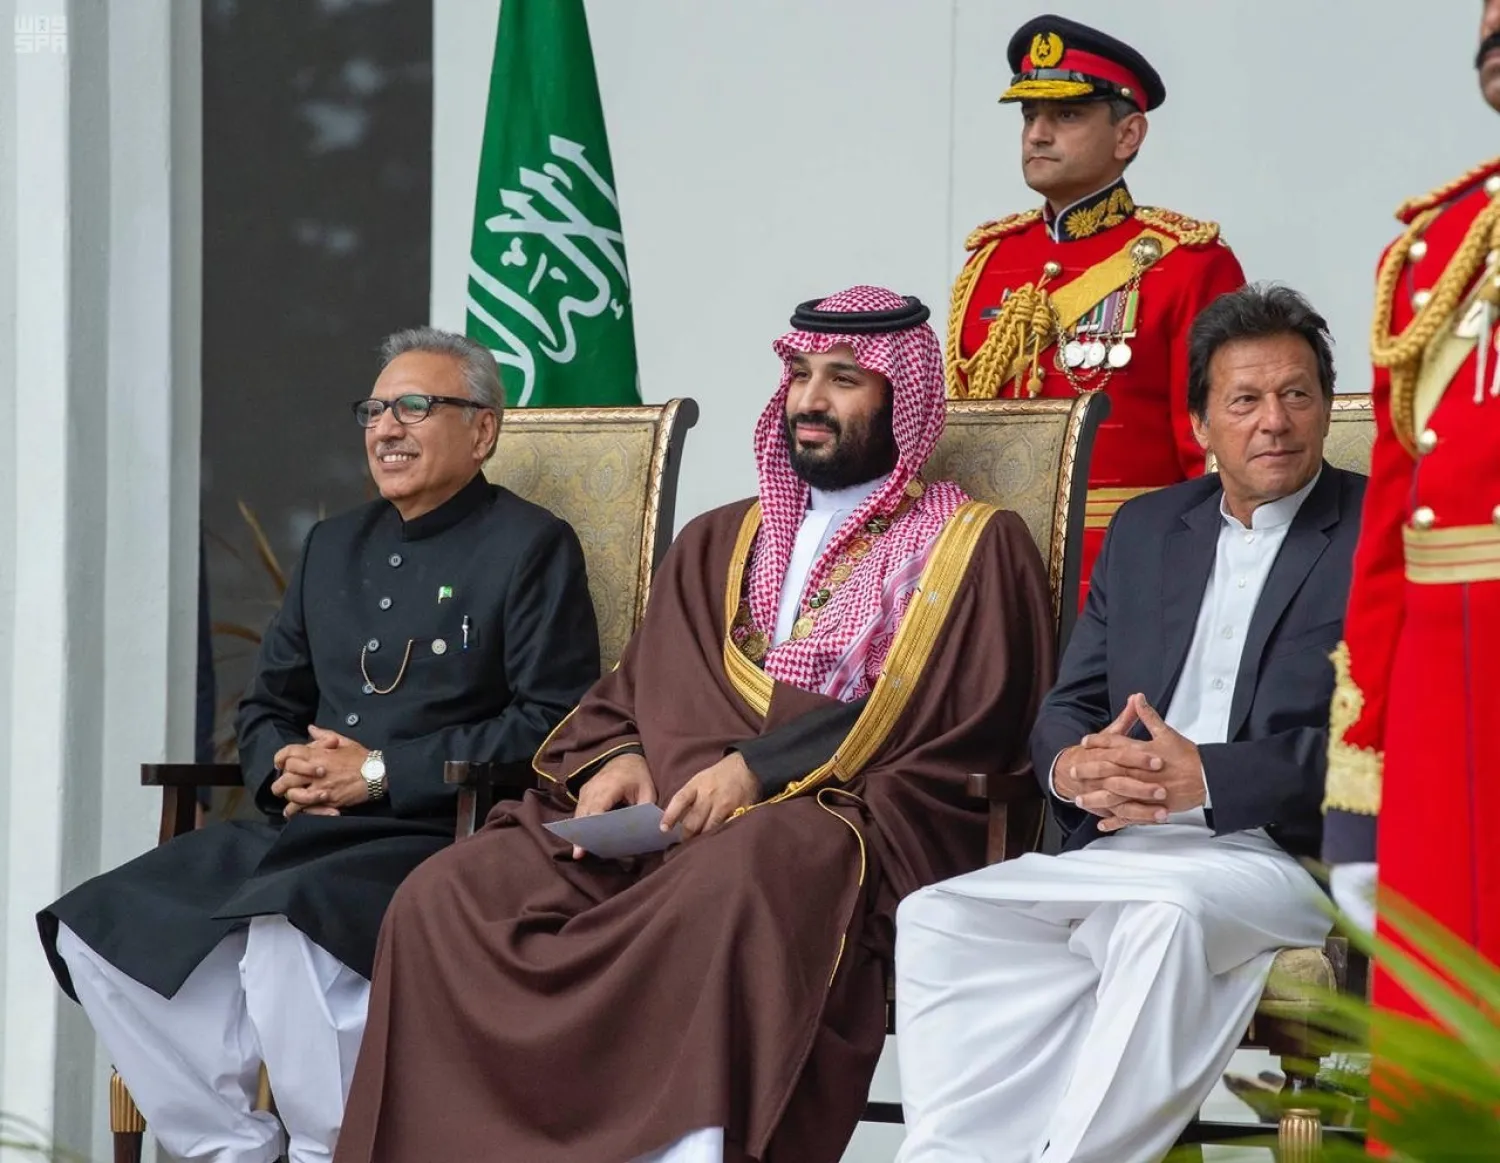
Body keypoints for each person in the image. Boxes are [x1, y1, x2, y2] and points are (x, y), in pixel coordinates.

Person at [332, 287, 1056, 1163]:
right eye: (797, 374)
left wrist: (756, 771)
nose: (810, 399)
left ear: (900, 396)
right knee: (448, 894)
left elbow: (961, 718)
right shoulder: (722, 539)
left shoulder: (972, 546)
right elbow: (631, 690)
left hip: (836, 819)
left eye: (843, 379)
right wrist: (619, 755)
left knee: (741, 871)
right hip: (661, 818)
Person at [37, 328, 599, 1163]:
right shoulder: (335, 544)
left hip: (436, 827)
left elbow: (554, 722)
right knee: (97, 928)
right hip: (303, 825)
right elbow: (270, 700)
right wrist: (285, 766)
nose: (386, 428)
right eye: (374, 409)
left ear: (481, 430)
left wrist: (374, 773)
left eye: (416, 406)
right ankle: (229, 1148)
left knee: (283, 935)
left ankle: (334, 1149)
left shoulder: (530, 544)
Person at [896, 284, 1366, 1162]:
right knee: (935, 916)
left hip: (1278, 852)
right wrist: (1072, 768)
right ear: (1200, 424)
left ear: (1324, 407)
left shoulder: (1375, 534)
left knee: (1160, 917)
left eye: (1297, 395)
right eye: (1246, 400)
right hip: (1122, 845)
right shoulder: (1150, 529)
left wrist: (1215, 779)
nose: (1275, 420)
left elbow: (1394, 741)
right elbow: (1071, 703)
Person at [1322, 0, 1500, 1005]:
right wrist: (1358, 807)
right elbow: (1391, 530)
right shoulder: (1441, 244)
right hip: (1440, 692)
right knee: (1441, 1037)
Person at [946, 13, 1245, 606]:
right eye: (1030, 115)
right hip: (992, 580)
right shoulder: (988, 260)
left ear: (1128, 135)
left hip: (1125, 579)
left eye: (1067, 114)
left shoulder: (1187, 262)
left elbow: (1216, 453)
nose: (1037, 133)